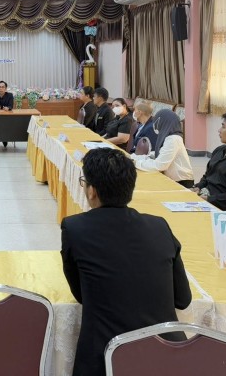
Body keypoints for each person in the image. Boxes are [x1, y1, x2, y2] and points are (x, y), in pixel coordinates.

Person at [61, 148, 192, 376]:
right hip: (165, 361)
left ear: (91, 191)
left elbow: (82, 295)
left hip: (105, 361)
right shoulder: (159, 226)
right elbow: (182, 299)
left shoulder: (75, 228)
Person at [131, 109, 194, 186]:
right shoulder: (167, 137)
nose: (154, 125)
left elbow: (160, 165)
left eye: (156, 121)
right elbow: (157, 155)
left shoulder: (173, 139)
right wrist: (136, 158)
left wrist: (136, 163)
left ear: (164, 122)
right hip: (173, 179)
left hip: (182, 182)